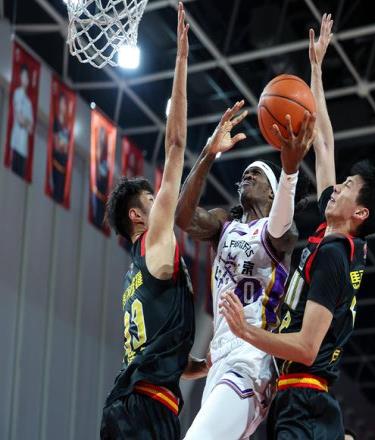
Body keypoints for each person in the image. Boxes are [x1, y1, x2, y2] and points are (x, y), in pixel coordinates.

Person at [221, 14, 375, 440]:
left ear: (360, 214)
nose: (336, 188)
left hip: (304, 399)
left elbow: (306, 347)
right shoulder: (332, 239)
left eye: (347, 187)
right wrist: (316, 70)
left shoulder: (334, 256)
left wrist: (246, 332)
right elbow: (324, 143)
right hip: (299, 400)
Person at [176, 100, 316, 437]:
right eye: (245, 174)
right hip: (220, 356)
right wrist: (208, 153)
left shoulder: (281, 232)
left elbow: (281, 226)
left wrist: (290, 173)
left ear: (272, 192)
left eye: (257, 174)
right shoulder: (224, 223)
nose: (247, 176)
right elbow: (182, 217)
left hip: (252, 357)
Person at [100, 4, 207, 439]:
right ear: (137, 216)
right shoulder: (154, 241)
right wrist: (181, 61)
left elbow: (168, 357)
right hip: (145, 409)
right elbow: (176, 144)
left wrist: (207, 364)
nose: (162, 200)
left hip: (131, 405)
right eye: (153, 198)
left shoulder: (136, 276)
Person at [10, 64, 34, 178]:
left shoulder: (29, 103)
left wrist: (26, 121)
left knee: (20, 179)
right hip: (16, 143)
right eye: (23, 76)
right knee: (12, 177)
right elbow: (19, 119)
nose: (24, 79)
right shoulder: (18, 93)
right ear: (20, 77)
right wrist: (26, 121)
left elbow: (31, 128)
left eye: (26, 77)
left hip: (24, 148)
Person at [51, 93, 70, 203]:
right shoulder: (56, 122)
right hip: (56, 162)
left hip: (64, 165)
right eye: (62, 103)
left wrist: (64, 146)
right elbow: (57, 145)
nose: (63, 106)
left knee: (61, 195)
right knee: (56, 191)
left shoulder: (67, 127)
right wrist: (62, 146)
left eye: (65, 104)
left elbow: (67, 148)